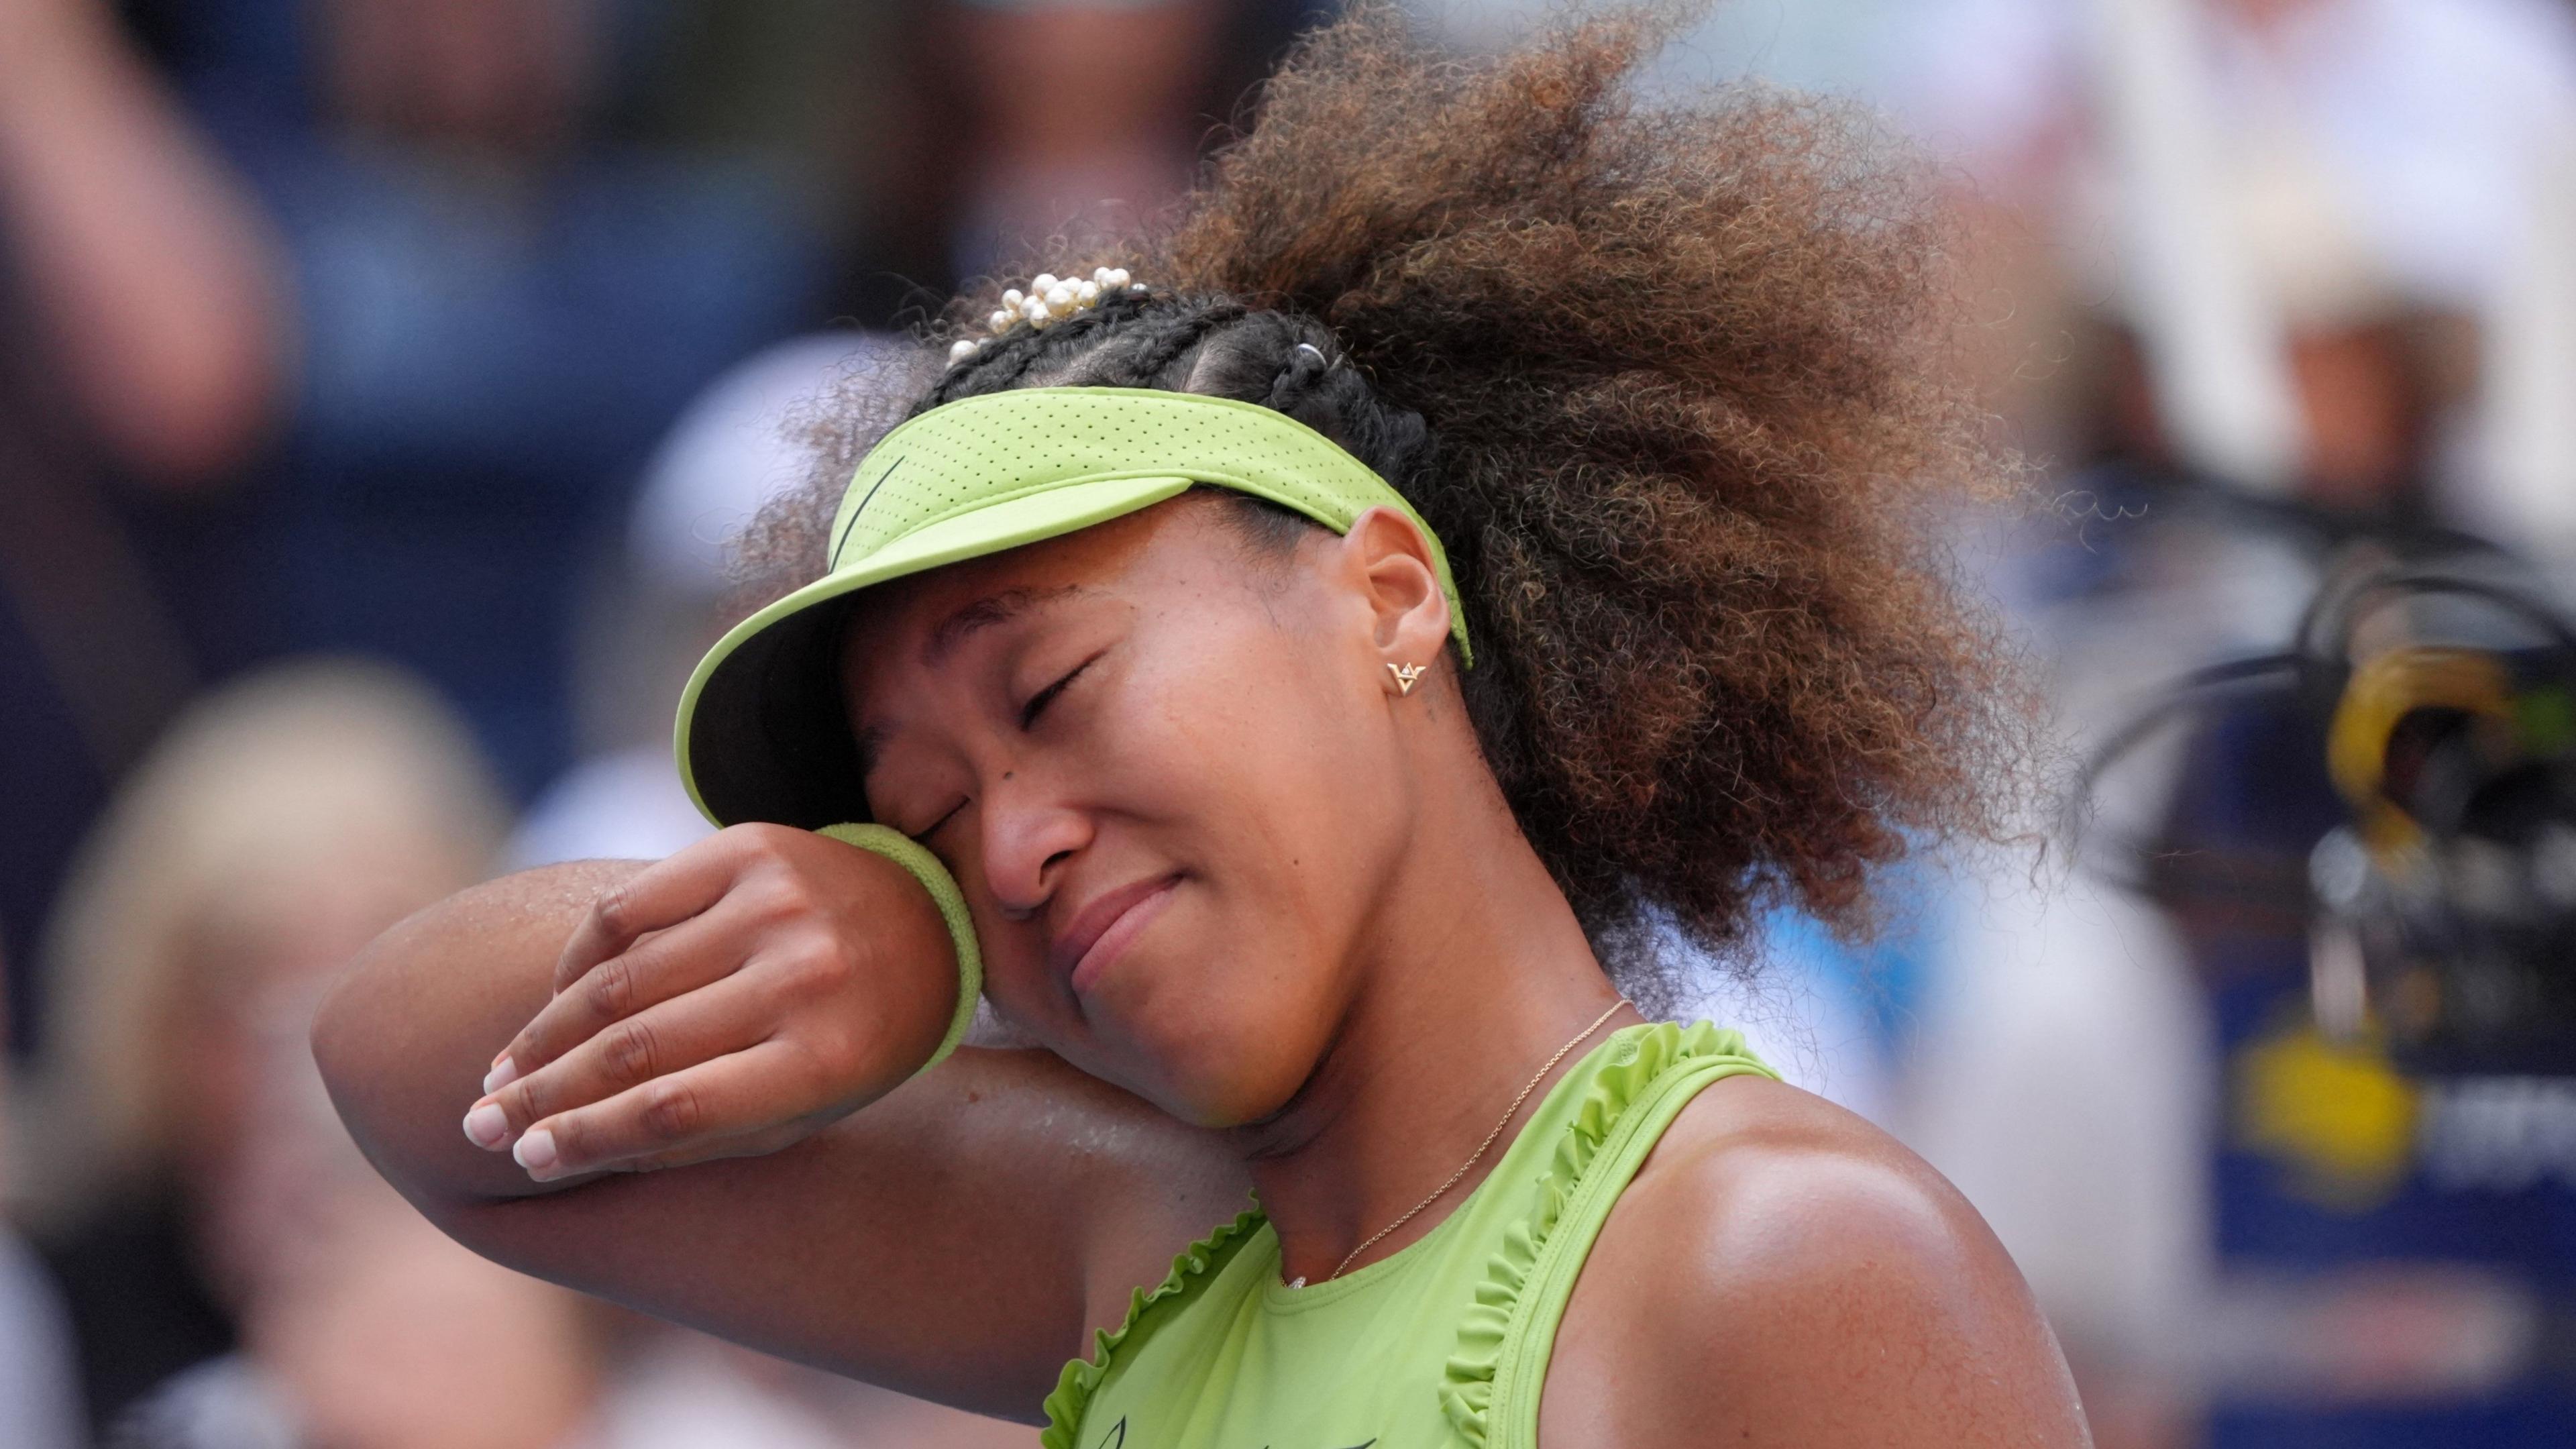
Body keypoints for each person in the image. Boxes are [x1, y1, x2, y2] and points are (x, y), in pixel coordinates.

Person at [315, 7, 2087, 1445]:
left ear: (1388, 597)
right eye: (920, 814)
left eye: (1053, 694)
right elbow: (410, 1075)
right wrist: (901, 931)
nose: (1008, 843)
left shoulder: (1783, 1262)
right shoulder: (1127, 1241)